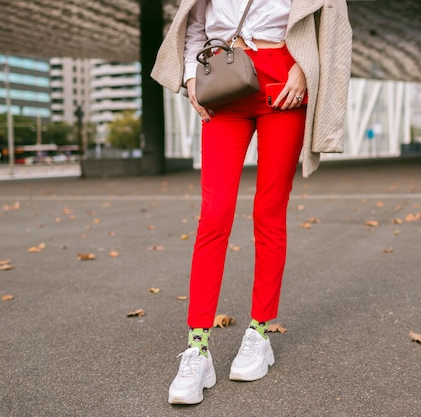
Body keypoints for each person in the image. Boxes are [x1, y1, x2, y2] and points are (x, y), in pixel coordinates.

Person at [151, 0, 352, 405]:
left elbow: (330, 31)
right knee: (214, 215)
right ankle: (197, 350)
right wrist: (192, 76)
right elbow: (194, 23)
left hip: (284, 80)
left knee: (269, 212)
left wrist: (304, 70)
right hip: (224, 77)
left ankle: (259, 334)